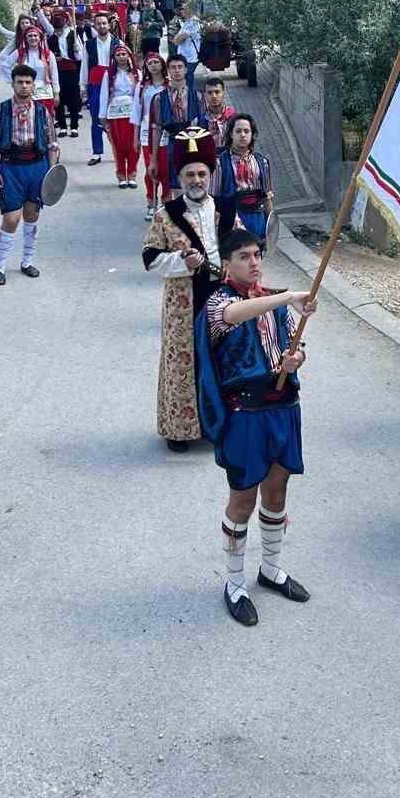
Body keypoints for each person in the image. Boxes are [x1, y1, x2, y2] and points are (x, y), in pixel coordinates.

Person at [194, 227, 318, 626]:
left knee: (277, 493)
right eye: (244, 256)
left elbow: (287, 346)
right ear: (226, 263)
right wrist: (286, 296)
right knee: (243, 499)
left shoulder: (273, 304)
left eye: (257, 255)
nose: (254, 262)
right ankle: (234, 583)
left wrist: (294, 358)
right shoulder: (219, 303)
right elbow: (233, 316)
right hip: (244, 414)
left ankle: (271, 568)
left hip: (283, 407)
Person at [141, 127, 235, 451]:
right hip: (183, 301)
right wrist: (184, 262)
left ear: (210, 175)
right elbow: (150, 258)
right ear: (180, 178)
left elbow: (243, 248)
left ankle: (215, 425)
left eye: (201, 173)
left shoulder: (227, 210)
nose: (196, 180)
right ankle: (179, 429)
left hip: (222, 299)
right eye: (189, 174)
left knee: (221, 360)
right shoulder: (166, 214)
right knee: (183, 361)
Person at [0, 63, 60, 285]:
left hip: (37, 167)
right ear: (13, 83)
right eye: (20, 82)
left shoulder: (41, 111)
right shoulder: (0, 109)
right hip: (11, 167)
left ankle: (27, 262)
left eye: (28, 82)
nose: (24, 86)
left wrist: (51, 174)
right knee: (10, 218)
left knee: (32, 215)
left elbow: (52, 143)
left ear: (33, 84)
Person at [212, 114, 274, 242]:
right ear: (230, 134)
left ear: (252, 135)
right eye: (238, 131)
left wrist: (271, 226)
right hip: (231, 219)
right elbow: (214, 199)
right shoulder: (219, 163)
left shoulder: (262, 162)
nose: (243, 135)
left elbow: (267, 198)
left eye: (247, 131)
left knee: (256, 258)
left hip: (258, 220)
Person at [147, 55, 199, 199]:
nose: (177, 71)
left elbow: (203, 126)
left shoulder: (197, 96)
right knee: (177, 187)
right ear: (168, 70)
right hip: (173, 146)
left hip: (195, 146)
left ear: (186, 70)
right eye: (173, 68)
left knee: (197, 184)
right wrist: (153, 159)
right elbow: (156, 130)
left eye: (180, 67)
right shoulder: (159, 98)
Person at [98, 42, 140, 187]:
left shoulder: (136, 73)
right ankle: (121, 175)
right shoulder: (108, 74)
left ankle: (132, 174)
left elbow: (140, 94)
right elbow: (104, 94)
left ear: (129, 56)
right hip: (115, 114)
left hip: (132, 114)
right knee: (118, 145)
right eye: (118, 55)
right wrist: (102, 115)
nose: (121, 57)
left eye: (124, 54)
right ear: (114, 57)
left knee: (133, 145)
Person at [133, 51, 168, 220]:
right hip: (147, 133)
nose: (153, 65)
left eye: (156, 62)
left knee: (167, 169)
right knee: (151, 169)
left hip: (166, 133)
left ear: (162, 64)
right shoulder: (142, 87)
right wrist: (135, 137)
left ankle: (167, 202)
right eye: (150, 62)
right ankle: (151, 202)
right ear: (146, 66)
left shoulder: (169, 86)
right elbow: (136, 113)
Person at [0, 22, 58, 122]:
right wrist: (14, 82)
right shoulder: (20, 52)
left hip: (45, 92)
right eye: (30, 36)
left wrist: (56, 93)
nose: (33, 38)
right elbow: (5, 65)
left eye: (35, 35)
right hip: (26, 92)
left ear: (40, 38)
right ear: (26, 39)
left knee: (46, 122)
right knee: (28, 122)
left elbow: (54, 74)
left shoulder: (48, 54)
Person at [83, 12, 118, 166]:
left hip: (112, 83)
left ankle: (118, 149)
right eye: (99, 24)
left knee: (115, 119)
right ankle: (97, 152)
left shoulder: (118, 43)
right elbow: (84, 66)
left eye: (104, 23)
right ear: (95, 26)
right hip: (95, 82)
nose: (102, 26)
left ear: (108, 25)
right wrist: (82, 86)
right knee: (96, 118)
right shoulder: (89, 44)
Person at [48, 13, 84, 138]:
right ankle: (62, 126)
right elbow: (49, 56)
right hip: (58, 70)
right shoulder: (51, 38)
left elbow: (80, 57)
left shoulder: (73, 35)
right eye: (56, 30)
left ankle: (74, 126)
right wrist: (54, 58)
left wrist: (76, 50)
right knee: (59, 98)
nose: (58, 32)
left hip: (72, 70)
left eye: (60, 30)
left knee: (73, 98)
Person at [200, 77, 236, 151]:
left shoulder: (234, 118)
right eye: (210, 93)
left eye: (217, 92)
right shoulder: (199, 120)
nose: (214, 96)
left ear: (224, 93)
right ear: (204, 95)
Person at [175, 0, 203, 85]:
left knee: (188, 84)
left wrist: (177, 38)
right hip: (186, 57)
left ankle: (192, 97)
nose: (181, 10)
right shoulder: (188, 22)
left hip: (190, 58)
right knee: (187, 83)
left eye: (184, 8)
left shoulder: (193, 22)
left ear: (190, 9)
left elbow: (178, 40)